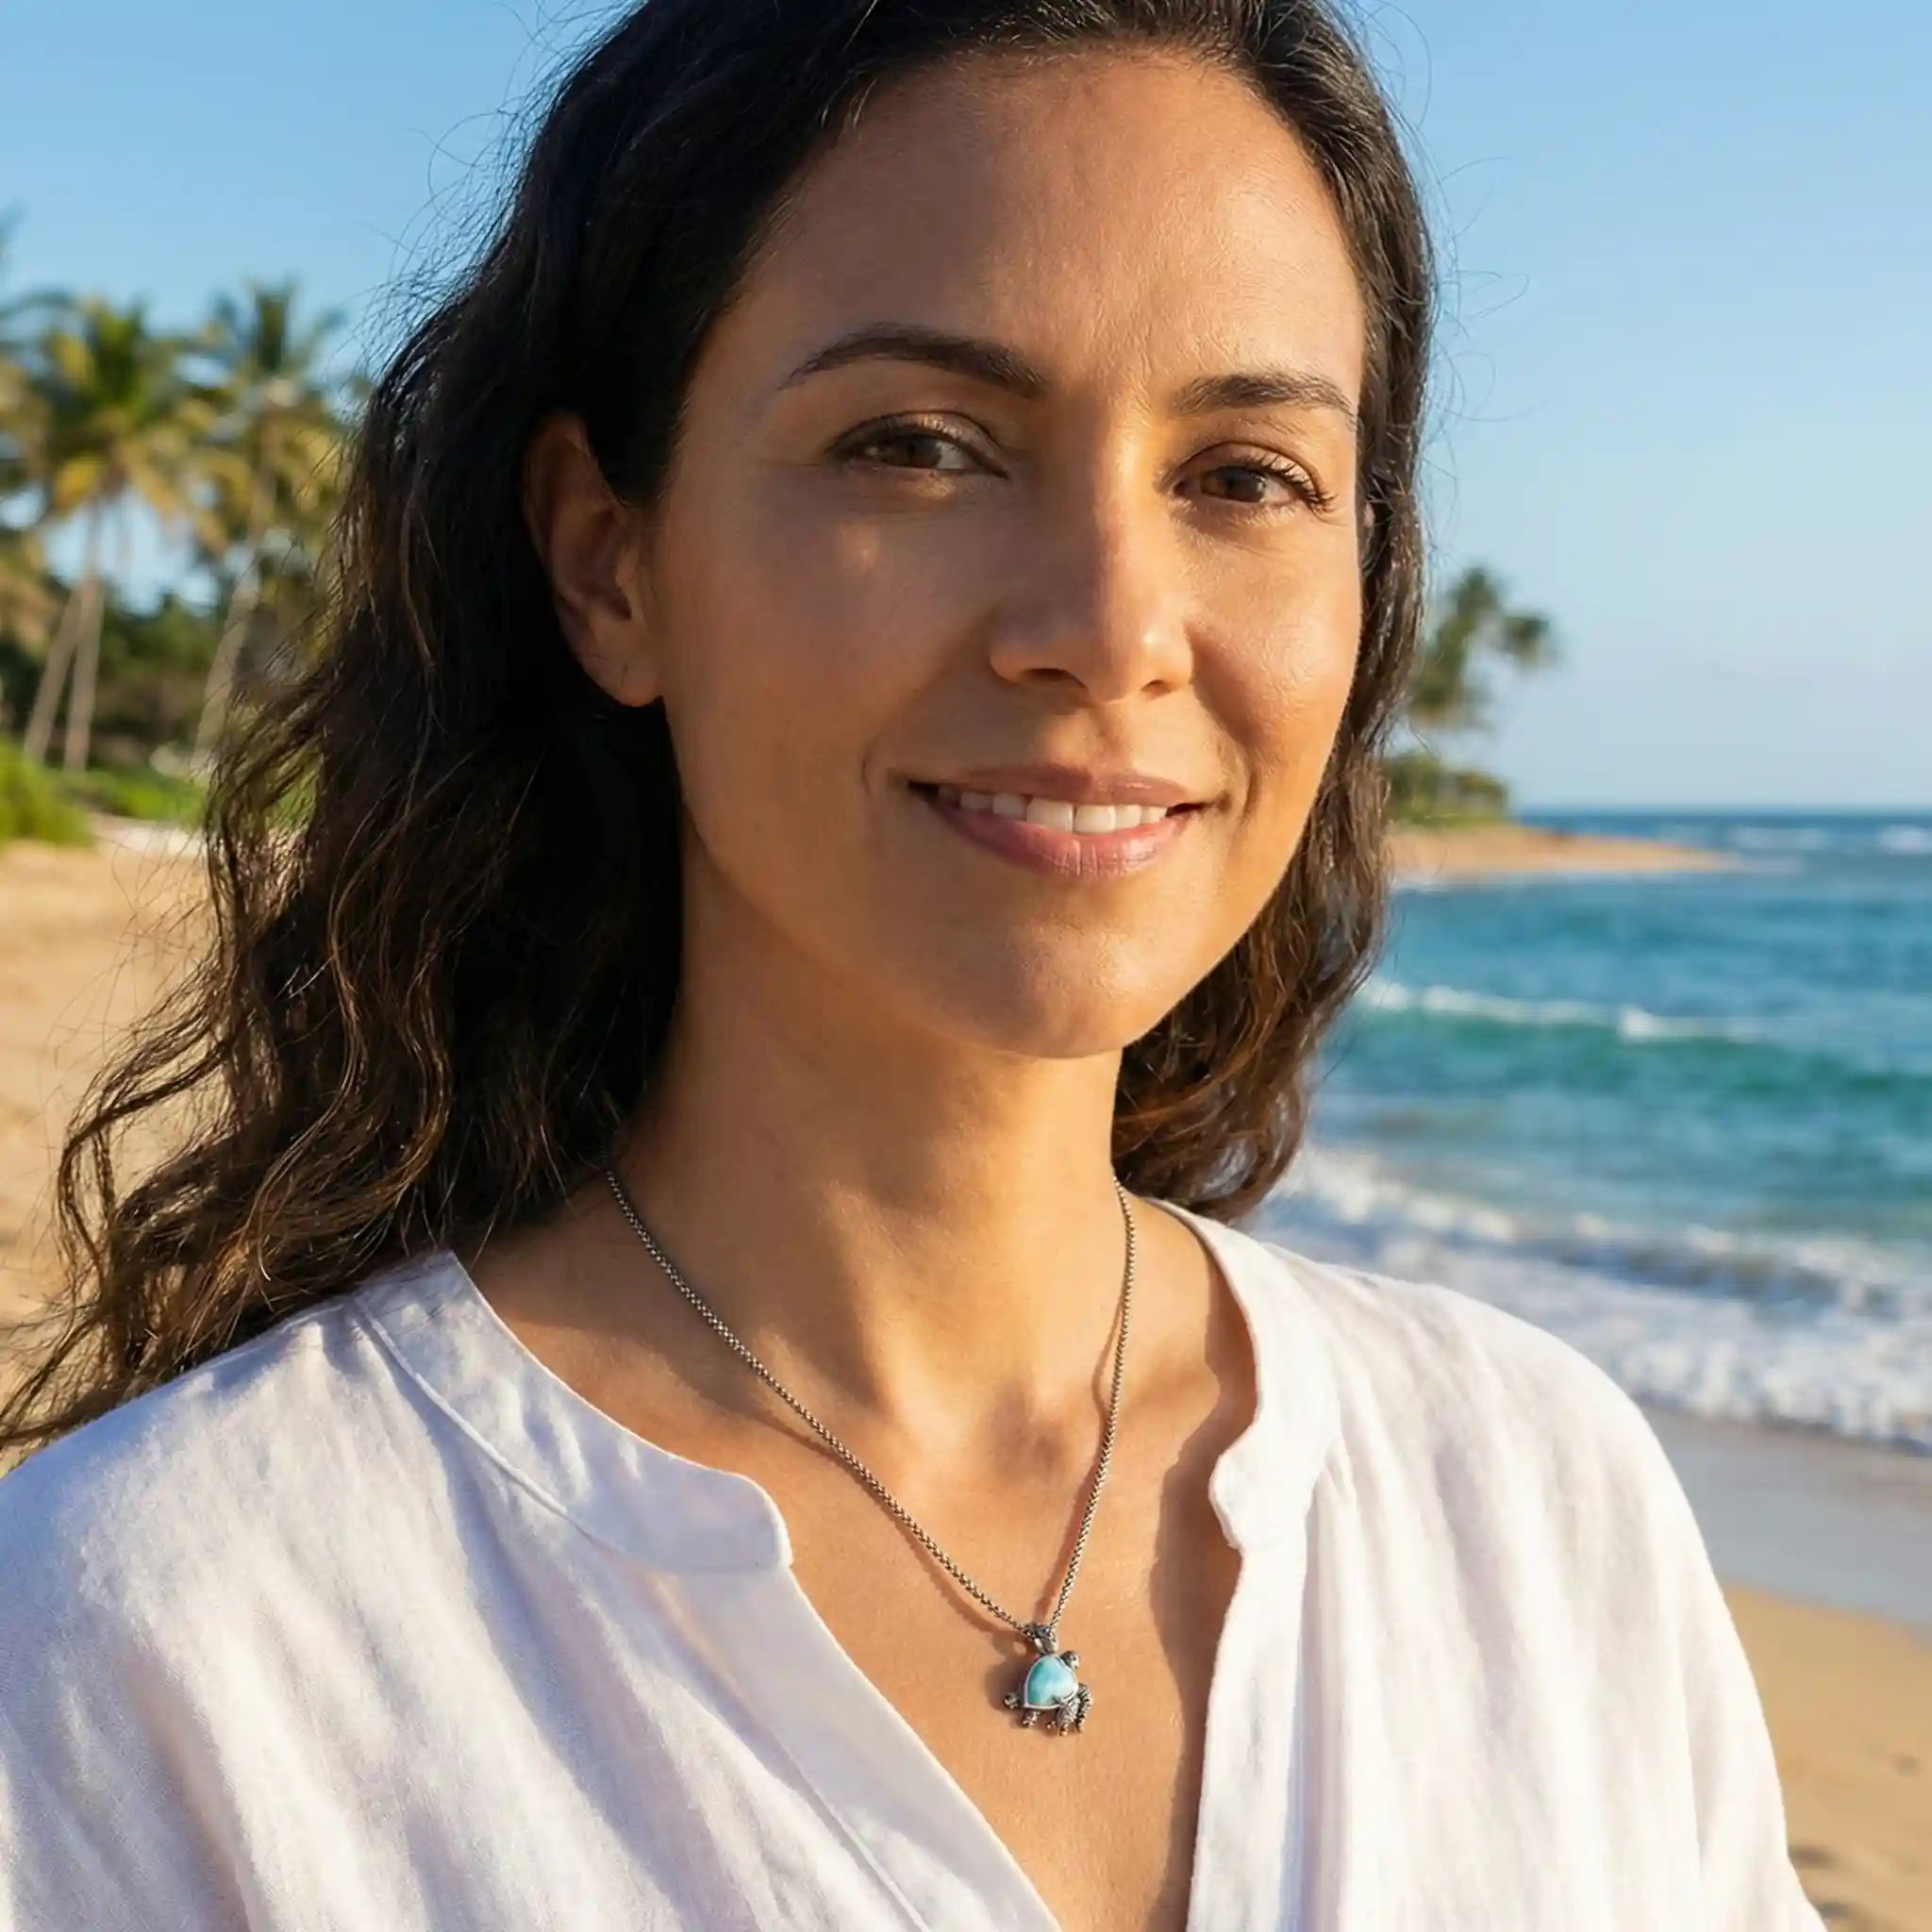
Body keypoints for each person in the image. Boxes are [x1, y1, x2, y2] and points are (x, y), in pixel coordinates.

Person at [0, 1, 1824, 1926]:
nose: (1109, 628)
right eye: (922, 446)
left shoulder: (1536, 1505)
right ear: (609, 562)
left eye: (1244, 475)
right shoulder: (165, 1643)